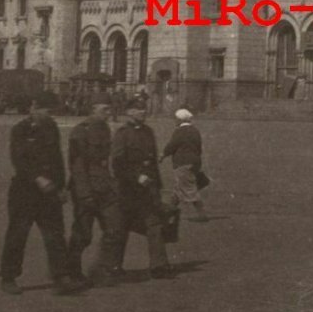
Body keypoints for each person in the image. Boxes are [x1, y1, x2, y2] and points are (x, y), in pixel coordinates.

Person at [0, 91, 87, 296]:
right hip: (25, 192)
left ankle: (61, 277)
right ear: (33, 108)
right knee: (18, 235)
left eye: (50, 111)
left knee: (55, 235)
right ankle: (8, 277)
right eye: (44, 110)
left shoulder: (51, 127)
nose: (47, 115)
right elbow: (19, 160)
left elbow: (57, 159)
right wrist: (38, 178)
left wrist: (62, 186)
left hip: (49, 193)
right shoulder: (20, 130)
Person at [112, 99, 175, 280]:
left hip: (148, 190)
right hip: (128, 189)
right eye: (138, 110)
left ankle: (159, 265)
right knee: (121, 227)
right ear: (129, 112)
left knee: (154, 225)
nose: (143, 112)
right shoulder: (122, 134)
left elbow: (153, 163)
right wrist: (136, 177)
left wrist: (157, 187)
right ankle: (114, 266)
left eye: (144, 109)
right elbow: (117, 164)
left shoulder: (148, 132)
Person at [67, 93, 125, 286]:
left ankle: (103, 269)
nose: (109, 114)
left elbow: (106, 162)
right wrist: (84, 194)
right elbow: (77, 166)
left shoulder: (105, 129)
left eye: (109, 110)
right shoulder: (80, 131)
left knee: (115, 229)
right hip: (87, 189)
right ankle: (72, 271)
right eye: (104, 110)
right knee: (83, 234)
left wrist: (113, 184)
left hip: (105, 189)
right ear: (92, 110)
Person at [162, 108, 208, 223]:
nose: (174, 121)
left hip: (182, 162)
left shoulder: (179, 131)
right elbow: (198, 147)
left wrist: (163, 155)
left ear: (179, 119)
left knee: (188, 188)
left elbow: (172, 146)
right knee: (179, 188)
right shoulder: (195, 130)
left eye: (175, 119)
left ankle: (202, 214)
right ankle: (168, 213)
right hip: (194, 162)